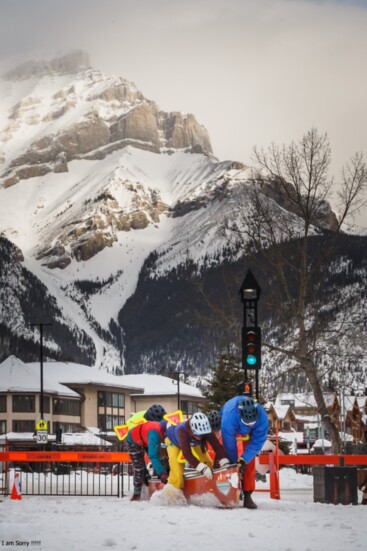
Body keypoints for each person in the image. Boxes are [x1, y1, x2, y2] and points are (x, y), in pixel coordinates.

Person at [220, 395, 269, 509]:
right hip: (231, 429)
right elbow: (229, 445)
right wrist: (234, 465)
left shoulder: (262, 418)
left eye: (252, 422)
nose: (250, 424)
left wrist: (244, 460)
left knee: (249, 462)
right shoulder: (229, 418)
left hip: (250, 434)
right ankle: (227, 492)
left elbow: (257, 441)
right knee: (226, 460)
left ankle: (248, 494)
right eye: (247, 423)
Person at [165, 411, 230, 490]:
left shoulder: (206, 430)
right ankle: (170, 493)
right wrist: (201, 468)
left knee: (208, 463)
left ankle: (205, 486)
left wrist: (225, 462)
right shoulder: (182, 431)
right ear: (192, 429)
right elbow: (187, 453)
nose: (200, 437)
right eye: (198, 435)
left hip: (193, 442)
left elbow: (217, 447)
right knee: (177, 474)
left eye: (202, 435)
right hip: (173, 441)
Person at [126, 404, 168, 501]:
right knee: (139, 468)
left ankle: (149, 478)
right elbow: (153, 456)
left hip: (145, 438)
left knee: (160, 459)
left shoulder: (163, 429)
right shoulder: (155, 433)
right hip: (133, 440)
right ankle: (136, 494)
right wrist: (162, 473)